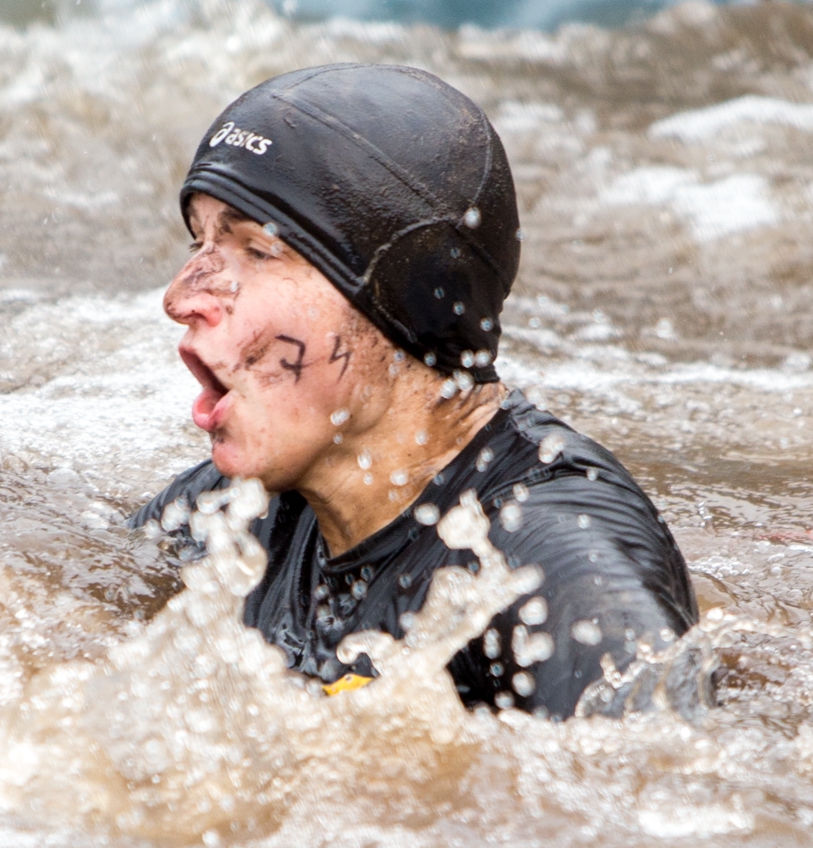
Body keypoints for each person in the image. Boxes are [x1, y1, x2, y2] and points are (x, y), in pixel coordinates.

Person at [131, 63, 703, 719]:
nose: (180, 296)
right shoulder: (234, 518)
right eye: (199, 241)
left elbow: (658, 796)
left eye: (257, 250)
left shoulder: (555, 572)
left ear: (399, 302)